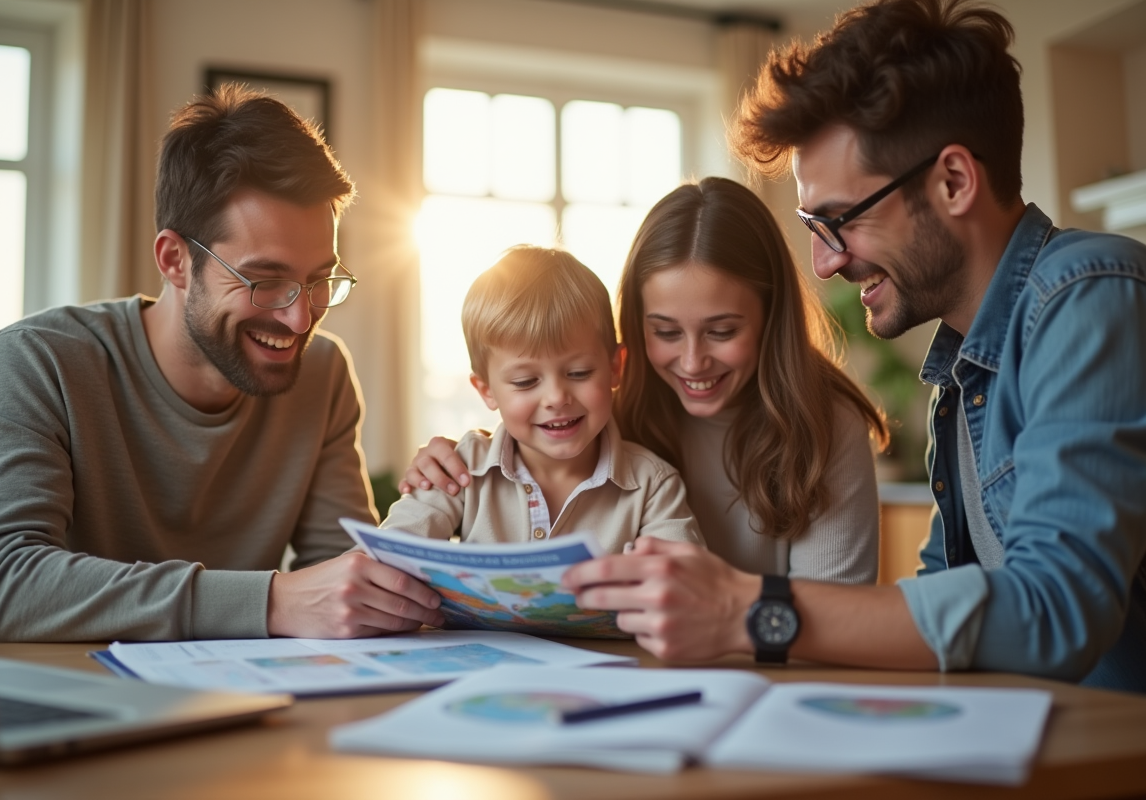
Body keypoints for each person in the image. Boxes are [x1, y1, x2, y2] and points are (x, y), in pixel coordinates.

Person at [563, 0, 1146, 693]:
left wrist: (744, 609)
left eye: (840, 221)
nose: (824, 264)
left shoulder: (1086, 296)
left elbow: (1056, 611)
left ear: (953, 181)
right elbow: (941, 615)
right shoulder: (962, 374)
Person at [0, 85, 443, 642]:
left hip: (248, 702)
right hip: (71, 704)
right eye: (265, 281)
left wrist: (453, 497)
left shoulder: (323, 374)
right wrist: (271, 602)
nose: (300, 319)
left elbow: (346, 583)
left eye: (317, 280)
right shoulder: (39, 362)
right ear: (175, 261)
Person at [402, 179, 886, 582]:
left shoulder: (824, 424)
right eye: (666, 331)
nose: (693, 362)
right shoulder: (603, 406)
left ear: (770, 317)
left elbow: (835, 615)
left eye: (722, 331)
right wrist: (453, 462)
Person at [383, 245, 703, 554]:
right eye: (526, 381)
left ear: (615, 367)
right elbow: (387, 553)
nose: (556, 398)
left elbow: (684, 586)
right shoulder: (460, 468)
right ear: (486, 390)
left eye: (578, 373)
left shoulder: (654, 486)